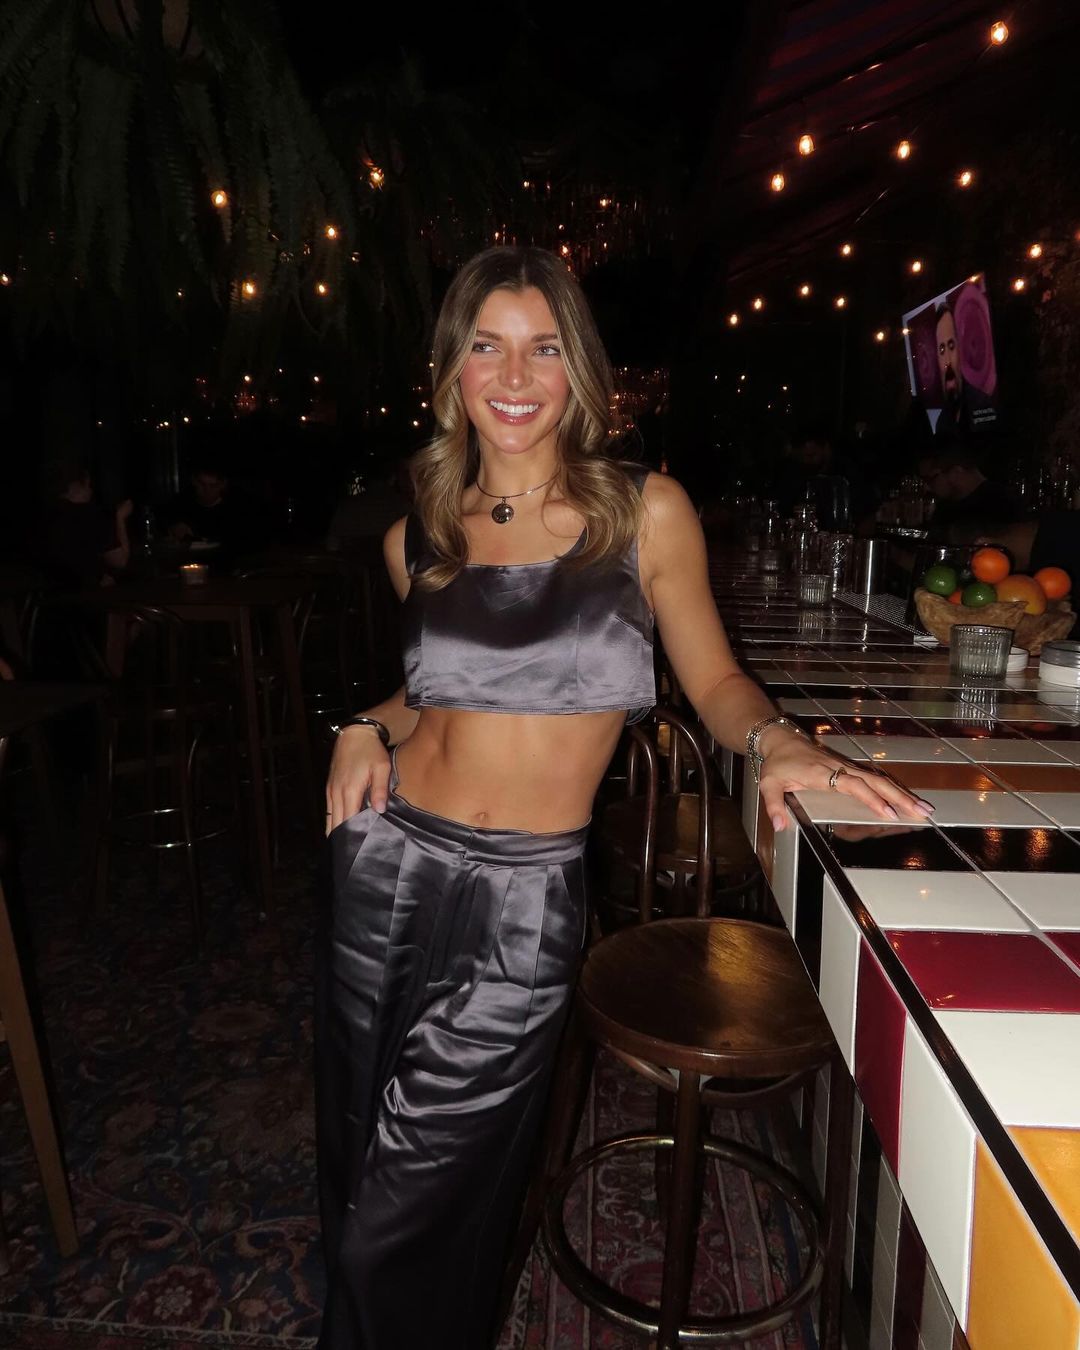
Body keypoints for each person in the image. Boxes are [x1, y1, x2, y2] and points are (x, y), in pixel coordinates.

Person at [318, 246, 928, 1350]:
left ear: (580, 370)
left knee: (405, 1220)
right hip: (385, 868)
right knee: (358, 1175)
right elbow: (435, 695)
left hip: (521, 908)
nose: (516, 375)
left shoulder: (645, 514)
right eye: (488, 346)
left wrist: (778, 742)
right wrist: (364, 724)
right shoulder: (421, 533)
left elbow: (717, 680)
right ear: (452, 369)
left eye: (544, 348)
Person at [42, 461, 132, 589]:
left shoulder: (47, 515)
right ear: (76, 485)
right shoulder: (89, 516)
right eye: (88, 484)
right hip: (87, 594)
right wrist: (120, 517)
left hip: (50, 594)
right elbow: (120, 561)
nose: (91, 490)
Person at [162, 457, 262, 559]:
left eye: (213, 485)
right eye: (202, 484)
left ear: (223, 484)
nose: (207, 490)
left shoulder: (239, 508)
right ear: (194, 481)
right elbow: (163, 524)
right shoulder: (181, 503)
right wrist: (174, 527)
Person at [918, 446, 1022, 538]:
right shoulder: (946, 506)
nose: (926, 487)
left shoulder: (1001, 504)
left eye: (930, 479)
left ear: (956, 472)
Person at [932, 302, 995, 439]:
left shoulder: (982, 405)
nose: (947, 361)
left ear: (960, 349)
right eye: (941, 350)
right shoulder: (941, 424)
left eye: (951, 346)